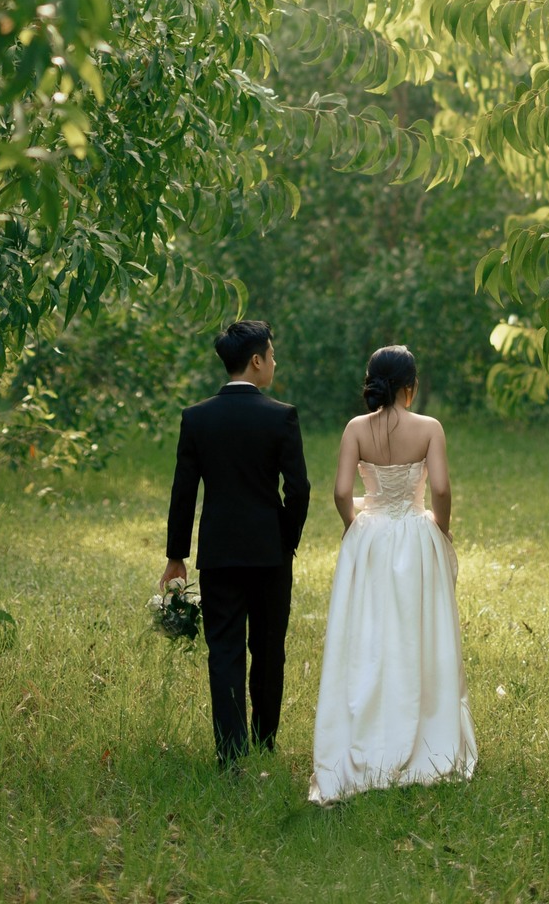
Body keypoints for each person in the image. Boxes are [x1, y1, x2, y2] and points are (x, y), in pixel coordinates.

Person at [309, 343, 477, 804]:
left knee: (368, 635)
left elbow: (343, 491)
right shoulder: (429, 428)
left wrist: (357, 525)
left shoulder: (355, 429)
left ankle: (363, 731)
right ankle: (425, 731)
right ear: (411, 386)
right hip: (415, 537)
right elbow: (440, 488)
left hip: (372, 538)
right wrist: (439, 531)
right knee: (418, 634)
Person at [160, 319, 311, 768]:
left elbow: (183, 491)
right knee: (268, 649)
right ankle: (264, 742)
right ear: (257, 360)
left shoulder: (197, 417)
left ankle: (230, 753)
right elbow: (298, 489)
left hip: (220, 554)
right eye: (272, 353)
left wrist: (176, 557)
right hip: (270, 554)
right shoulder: (280, 415)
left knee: (223, 650)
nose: (274, 362)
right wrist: (285, 540)